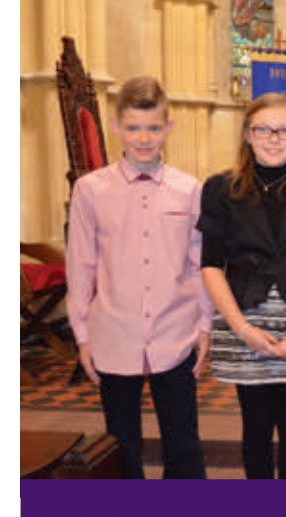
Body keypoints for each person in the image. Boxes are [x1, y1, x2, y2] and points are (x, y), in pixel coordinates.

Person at [65, 75, 211, 479]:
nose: (143, 137)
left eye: (153, 127)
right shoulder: (90, 190)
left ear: (169, 127)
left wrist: (204, 325)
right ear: (116, 127)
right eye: (133, 127)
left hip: (176, 331)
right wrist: (81, 336)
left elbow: (198, 263)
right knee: (121, 447)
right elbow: (80, 266)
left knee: (183, 445)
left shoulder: (189, 189)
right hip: (114, 331)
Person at [198, 94, 286, 478]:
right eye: (263, 129)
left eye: (284, 130)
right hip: (244, 320)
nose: (274, 138)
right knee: (255, 430)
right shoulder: (220, 188)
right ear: (247, 134)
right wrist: (243, 330)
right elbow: (211, 266)